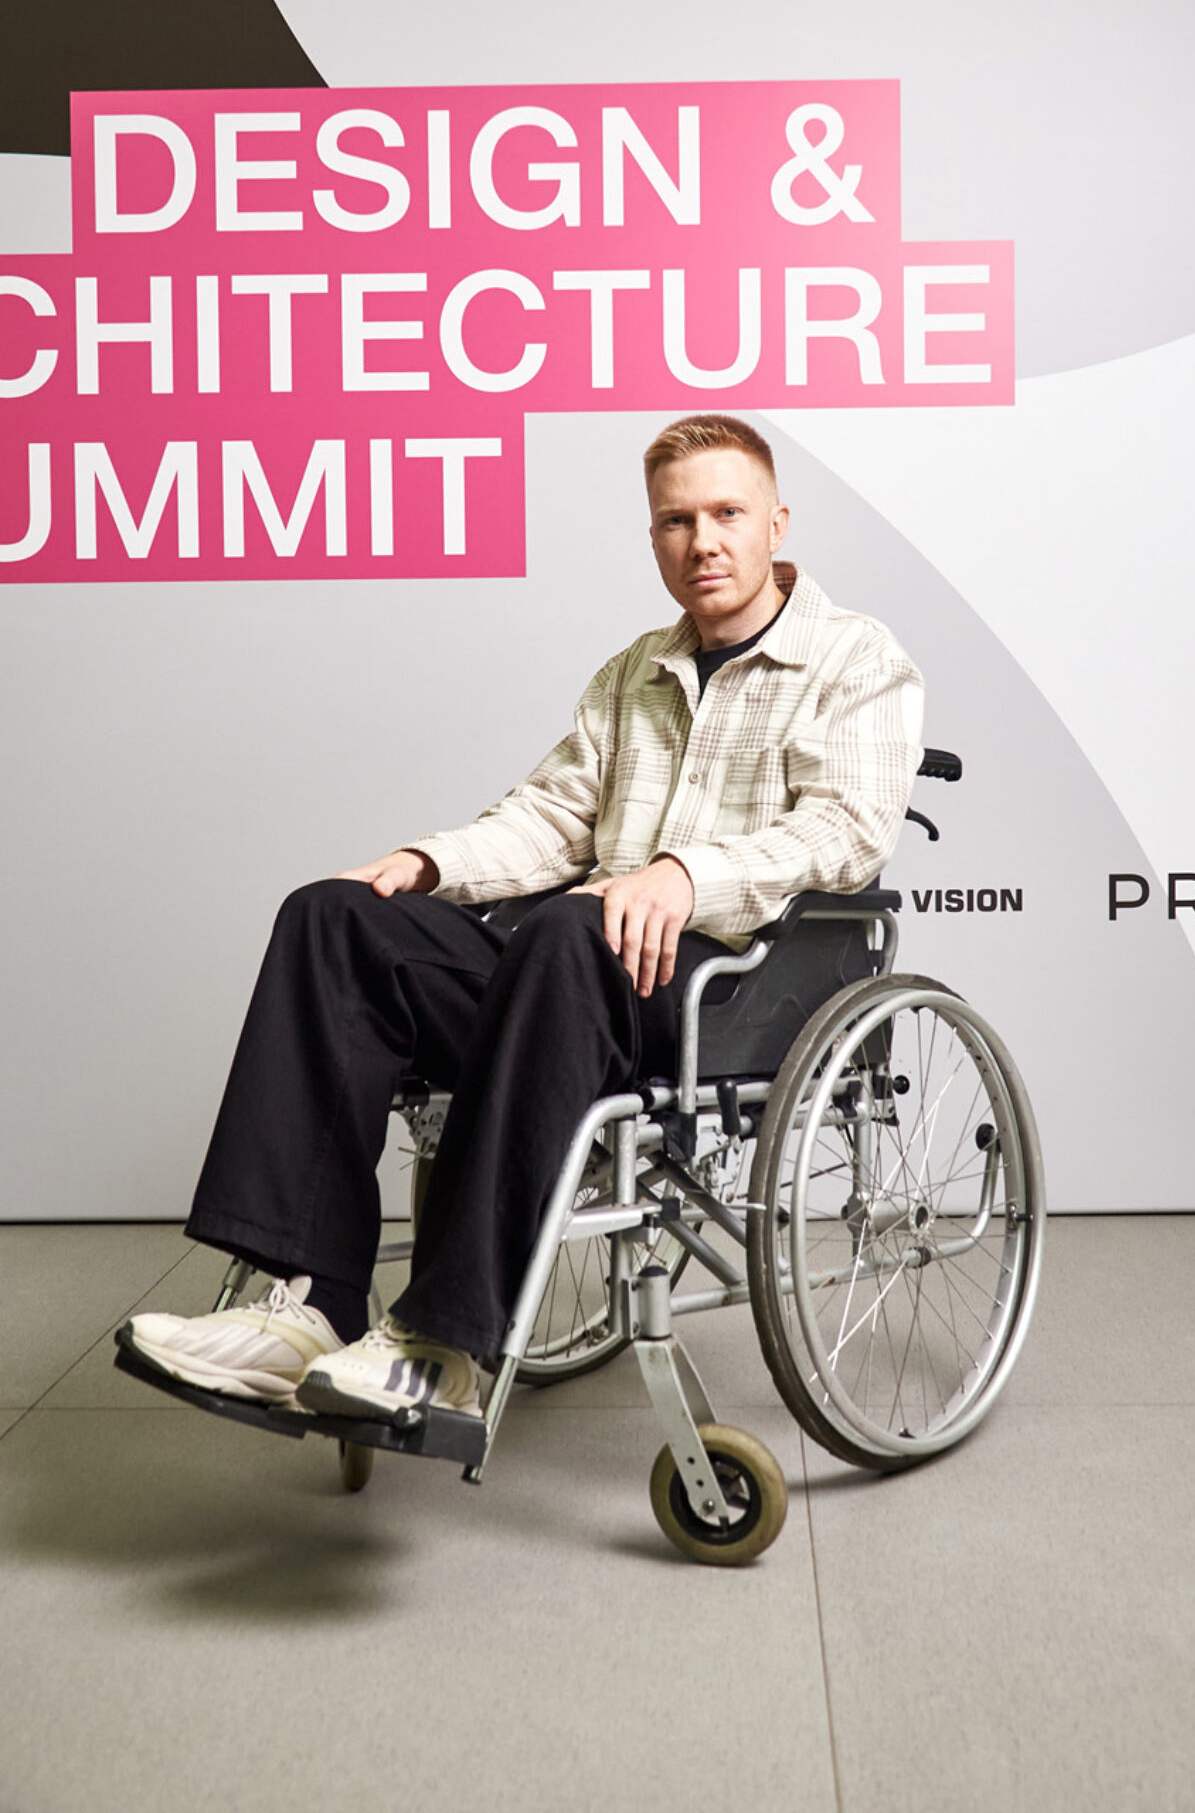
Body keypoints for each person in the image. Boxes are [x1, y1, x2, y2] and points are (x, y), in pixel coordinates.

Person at [125, 414, 925, 1425]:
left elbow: (846, 831)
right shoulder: (635, 671)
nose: (703, 541)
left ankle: (443, 1342)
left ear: (775, 523)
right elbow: (552, 819)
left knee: (570, 925)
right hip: (577, 970)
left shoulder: (855, 658)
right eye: (676, 521)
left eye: (727, 514)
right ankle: (306, 1304)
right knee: (334, 919)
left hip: (732, 987)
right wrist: (429, 864)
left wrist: (686, 875)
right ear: (654, 537)